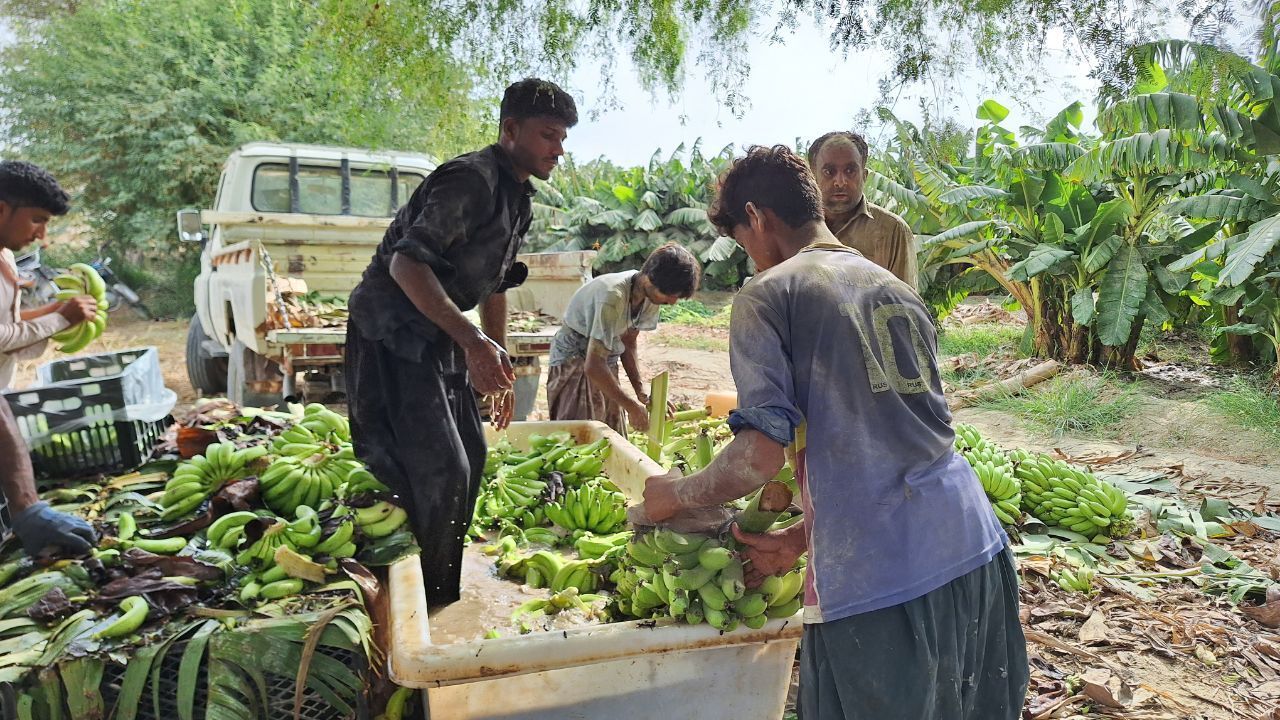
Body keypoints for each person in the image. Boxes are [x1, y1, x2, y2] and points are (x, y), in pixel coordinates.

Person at [636, 146, 1027, 719]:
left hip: (883, 581)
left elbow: (756, 458)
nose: (749, 255)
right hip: (975, 549)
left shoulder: (769, 295)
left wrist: (674, 494)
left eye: (743, 239)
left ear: (759, 216)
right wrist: (800, 538)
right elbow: (895, 440)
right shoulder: (894, 288)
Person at [345, 78, 577, 606]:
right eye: (547, 135)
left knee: (470, 455)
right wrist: (473, 343)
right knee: (433, 468)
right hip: (392, 331)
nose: (558, 150)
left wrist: (494, 359)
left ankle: (441, 591)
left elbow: (496, 284)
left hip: (439, 334)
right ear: (510, 129)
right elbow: (406, 263)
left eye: (562, 138)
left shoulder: (518, 198)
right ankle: (413, 600)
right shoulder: (470, 179)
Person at [0, 160, 99, 557]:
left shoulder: (5, 257)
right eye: (37, 220)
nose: (41, 235)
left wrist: (57, 316)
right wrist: (59, 317)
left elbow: (10, 325)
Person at [546, 243, 700, 434]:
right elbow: (592, 366)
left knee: (611, 433)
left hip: (603, 359)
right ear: (649, 279)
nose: (672, 302)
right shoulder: (613, 297)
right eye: (670, 295)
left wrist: (640, 393)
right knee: (578, 435)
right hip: (574, 360)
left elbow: (628, 342)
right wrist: (632, 407)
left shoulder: (651, 297)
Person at [807, 131, 918, 288]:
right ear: (813, 177)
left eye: (850, 171)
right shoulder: (795, 226)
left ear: (864, 176)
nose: (840, 182)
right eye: (829, 172)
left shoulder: (891, 230)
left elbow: (905, 304)